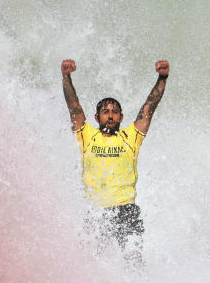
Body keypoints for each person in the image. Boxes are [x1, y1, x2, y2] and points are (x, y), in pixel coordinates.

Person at [61, 59, 169, 267]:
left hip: (126, 211)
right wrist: (66, 77)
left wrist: (162, 78)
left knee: (134, 261)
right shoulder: (87, 136)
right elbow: (73, 107)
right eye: (105, 111)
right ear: (97, 117)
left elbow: (149, 107)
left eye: (114, 112)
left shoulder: (131, 137)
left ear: (121, 117)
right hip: (96, 213)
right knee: (92, 267)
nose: (110, 115)